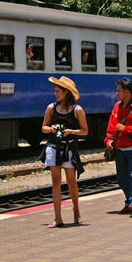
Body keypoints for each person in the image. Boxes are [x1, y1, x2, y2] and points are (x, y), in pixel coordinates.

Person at [41, 76, 89, 227]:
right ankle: (57, 218)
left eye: (58, 91)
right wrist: (52, 129)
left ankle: (76, 212)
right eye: (55, 91)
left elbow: (85, 131)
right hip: (54, 146)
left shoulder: (77, 110)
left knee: (71, 182)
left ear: (66, 92)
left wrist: (71, 131)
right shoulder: (51, 108)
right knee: (55, 182)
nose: (55, 94)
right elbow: (44, 127)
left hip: (69, 147)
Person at [104, 78, 132, 216]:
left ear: (127, 92)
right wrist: (109, 140)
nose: (117, 93)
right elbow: (111, 127)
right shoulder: (117, 107)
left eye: (119, 91)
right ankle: (130, 201)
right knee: (122, 178)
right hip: (119, 148)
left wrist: (126, 128)